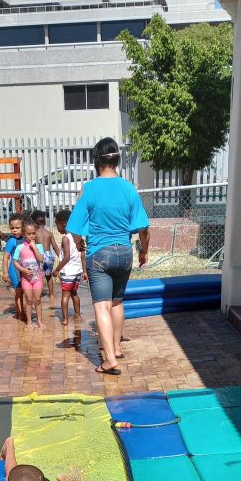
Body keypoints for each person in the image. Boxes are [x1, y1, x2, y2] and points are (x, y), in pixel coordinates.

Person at [66, 138, 150, 375]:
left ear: (96, 160)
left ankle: (109, 359)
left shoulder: (90, 189)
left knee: (101, 306)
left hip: (99, 254)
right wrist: (144, 250)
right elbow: (144, 228)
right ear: (117, 160)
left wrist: (79, 242)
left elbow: (74, 228)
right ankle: (117, 348)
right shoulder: (129, 188)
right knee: (117, 302)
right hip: (124, 252)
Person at [54, 208, 87, 326]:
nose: (57, 228)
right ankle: (77, 315)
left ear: (63, 225)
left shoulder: (65, 238)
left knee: (65, 295)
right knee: (74, 293)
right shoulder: (78, 237)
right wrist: (84, 271)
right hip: (77, 271)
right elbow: (82, 255)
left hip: (68, 272)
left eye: (57, 225)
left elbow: (67, 257)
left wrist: (57, 269)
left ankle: (65, 319)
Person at [12, 220, 45, 329]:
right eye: (29, 234)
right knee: (29, 300)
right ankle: (29, 321)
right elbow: (15, 261)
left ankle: (39, 321)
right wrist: (23, 270)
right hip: (26, 279)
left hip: (37, 278)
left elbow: (41, 259)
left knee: (38, 300)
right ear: (24, 234)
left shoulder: (39, 246)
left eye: (33, 233)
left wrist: (34, 247)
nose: (31, 236)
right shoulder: (20, 247)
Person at [1, 213, 25, 322]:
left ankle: (22, 311)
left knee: (25, 290)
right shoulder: (11, 241)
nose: (14, 230)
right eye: (12, 228)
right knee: (19, 291)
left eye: (17, 228)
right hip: (14, 270)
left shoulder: (26, 239)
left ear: (23, 227)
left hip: (24, 268)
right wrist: (5, 272)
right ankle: (20, 313)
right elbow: (5, 257)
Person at [32, 210, 61, 301]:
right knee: (48, 276)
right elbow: (55, 247)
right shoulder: (49, 233)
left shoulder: (34, 233)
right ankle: (51, 294)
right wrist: (61, 257)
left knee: (38, 276)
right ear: (44, 222)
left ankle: (39, 293)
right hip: (49, 256)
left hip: (39, 256)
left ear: (34, 223)